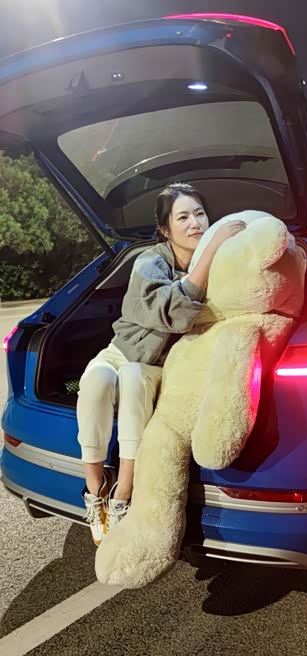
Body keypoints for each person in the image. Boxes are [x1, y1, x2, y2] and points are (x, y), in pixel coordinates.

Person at [76, 182, 247, 545]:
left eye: (199, 214)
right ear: (165, 230)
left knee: (133, 378)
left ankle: (123, 493)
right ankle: (95, 490)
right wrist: (210, 251)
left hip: (159, 366)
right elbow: (167, 311)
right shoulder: (149, 261)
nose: (195, 223)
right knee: (94, 381)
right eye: (182, 217)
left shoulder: (222, 263)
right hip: (120, 350)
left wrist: (213, 255)